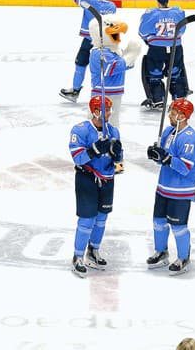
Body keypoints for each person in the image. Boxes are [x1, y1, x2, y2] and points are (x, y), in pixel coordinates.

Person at [68, 96, 123, 277]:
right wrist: (94, 149)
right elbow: (78, 158)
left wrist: (116, 157)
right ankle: (77, 256)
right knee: (87, 220)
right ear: (95, 111)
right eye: (105, 109)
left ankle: (93, 251)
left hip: (107, 179)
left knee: (101, 219)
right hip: (87, 179)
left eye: (110, 109)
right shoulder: (80, 130)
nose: (109, 113)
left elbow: (119, 163)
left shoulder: (113, 131)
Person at [145, 98, 195, 275]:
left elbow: (185, 167)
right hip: (163, 186)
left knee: (178, 226)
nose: (170, 114)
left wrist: (166, 158)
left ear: (183, 116)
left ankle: (183, 257)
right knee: (158, 222)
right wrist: (155, 154)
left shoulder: (190, 137)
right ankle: (161, 252)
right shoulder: (169, 131)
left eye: (173, 112)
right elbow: (163, 157)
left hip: (181, 191)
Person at [59, 0, 116, 102]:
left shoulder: (89, 0)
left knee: (81, 63)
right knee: (103, 66)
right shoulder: (112, 6)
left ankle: (75, 90)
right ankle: (106, 92)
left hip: (89, 40)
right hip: (106, 42)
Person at [138, 0, 189, 110]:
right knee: (175, 73)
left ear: (158, 2)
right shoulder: (177, 12)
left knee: (154, 74)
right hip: (176, 48)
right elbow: (182, 30)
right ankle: (178, 98)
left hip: (156, 49)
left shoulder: (152, 13)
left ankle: (158, 99)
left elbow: (142, 32)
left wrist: (149, 40)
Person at [89, 15, 140, 127]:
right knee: (99, 122)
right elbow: (114, 67)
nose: (117, 36)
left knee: (113, 122)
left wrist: (128, 54)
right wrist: (131, 54)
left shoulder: (114, 50)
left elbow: (127, 65)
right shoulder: (99, 52)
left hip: (115, 93)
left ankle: (112, 141)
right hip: (102, 94)